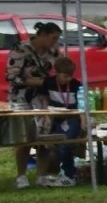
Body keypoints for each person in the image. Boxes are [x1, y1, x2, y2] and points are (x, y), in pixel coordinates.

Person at [7, 20, 60, 189]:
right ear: (43, 35)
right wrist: (37, 81)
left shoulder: (54, 51)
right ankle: (21, 176)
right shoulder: (21, 49)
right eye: (53, 38)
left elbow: (58, 72)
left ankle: (41, 175)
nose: (55, 42)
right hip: (21, 97)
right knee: (24, 137)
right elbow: (11, 77)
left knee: (44, 137)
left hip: (42, 98)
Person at [41, 55, 83, 186]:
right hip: (56, 118)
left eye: (70, 76)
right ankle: (66, 172)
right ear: (57, 73)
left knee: (67, 145)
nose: (68, 79)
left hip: (72, 118)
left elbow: (81, 105)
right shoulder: (49, 83)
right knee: (59, 146)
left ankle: (70, 176)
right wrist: (46, 116)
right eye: (65, 76)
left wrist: (83, 122)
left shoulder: (76, 85)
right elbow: (44, 99)